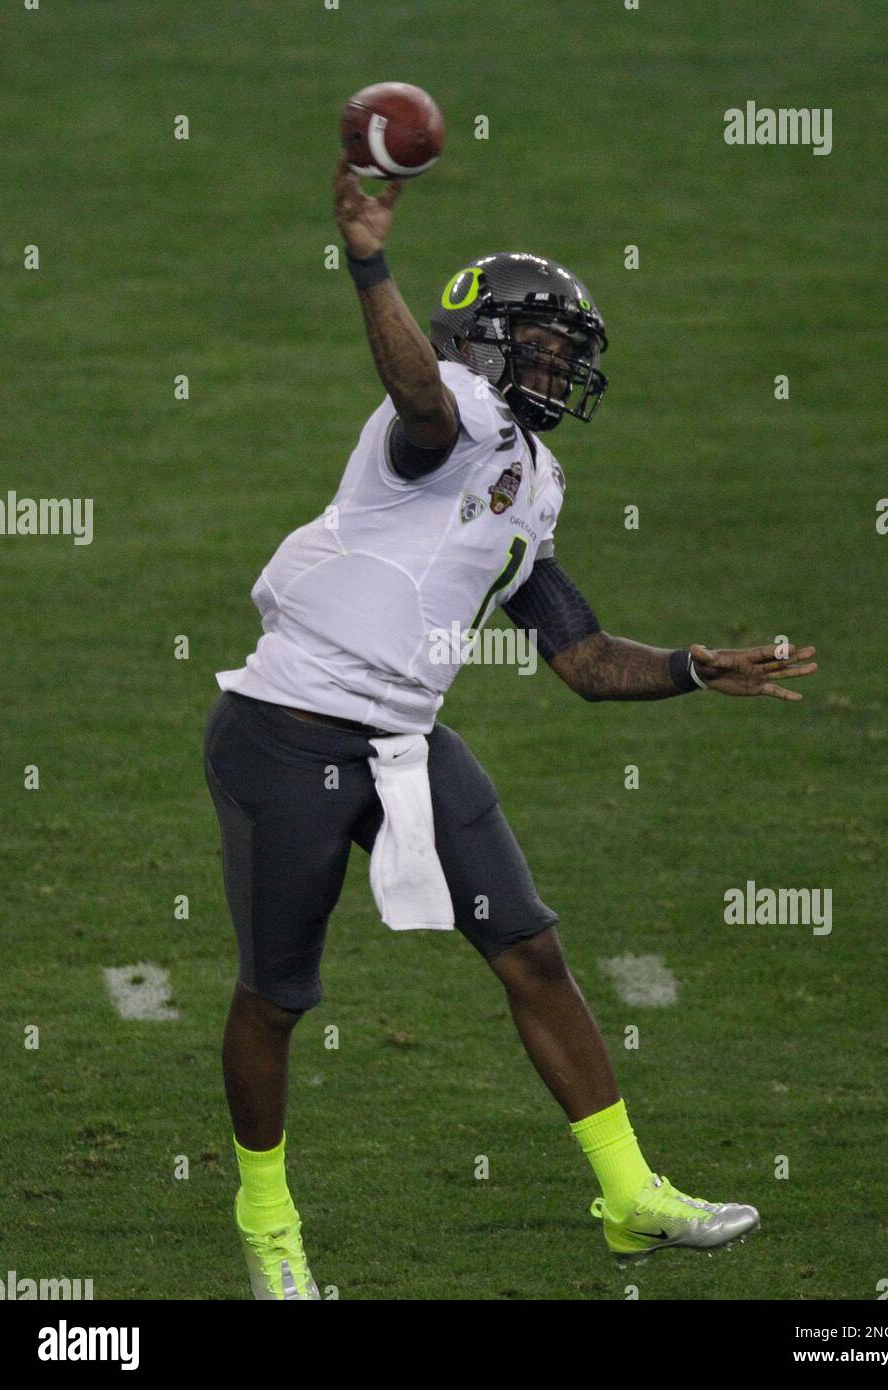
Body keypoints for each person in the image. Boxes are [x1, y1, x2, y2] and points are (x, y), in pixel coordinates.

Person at [203, 154, 818, 1299]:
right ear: (484, 342)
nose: (561, 366)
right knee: (276, 996)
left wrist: (692, 666)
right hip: (285, 728)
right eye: (543, 344)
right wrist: (368, 258)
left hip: (402, 739)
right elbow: (421, 396)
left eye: (567, 351)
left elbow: (579, 654)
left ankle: (631, 1196)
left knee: (532, 949)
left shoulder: (535, 476)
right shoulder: (448, 412)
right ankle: (268, 1220)